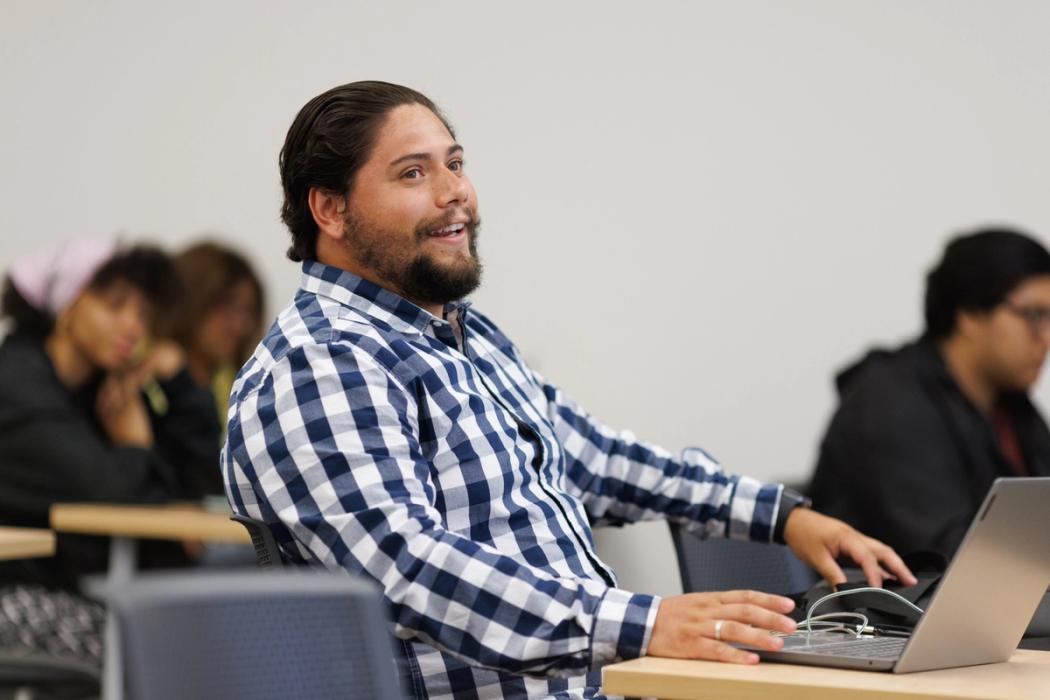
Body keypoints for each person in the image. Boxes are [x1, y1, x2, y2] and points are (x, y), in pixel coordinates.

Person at [223, 81, 915, 700]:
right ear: (330, 210)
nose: (454, 192)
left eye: (455, 164)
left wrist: (781, 516)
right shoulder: (319, 364)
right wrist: (646, 623)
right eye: (413, 173)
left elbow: (593, 459)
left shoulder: (462, 336)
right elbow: (406, 572)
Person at [808, 229, 1050, 561]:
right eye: (1034, 316)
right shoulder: (889, 401)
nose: (1046, 337)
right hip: (892, 608)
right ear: (969, 314)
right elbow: (952, 553)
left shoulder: (1012, 405)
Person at [159, 240, 264, 496]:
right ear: (192, 298)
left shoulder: (243, 387)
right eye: (227, 306)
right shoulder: (149, 378)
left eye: (247, 311)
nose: (240, 324)